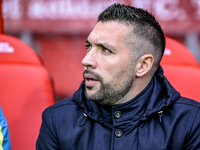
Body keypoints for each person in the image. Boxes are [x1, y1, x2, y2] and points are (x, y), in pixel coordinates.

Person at [36, 3, 200, 150]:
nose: (86, 60)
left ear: (142, 66)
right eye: (89, 47)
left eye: (105, 50)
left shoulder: (191, 122)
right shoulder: (57, 120)